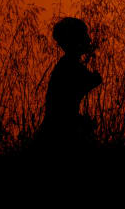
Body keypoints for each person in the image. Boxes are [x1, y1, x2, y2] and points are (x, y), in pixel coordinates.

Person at [36, 17, 103, 154]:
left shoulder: (66, 64)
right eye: (85, 35)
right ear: (75, 40)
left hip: (56, 129)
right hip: (62, 132)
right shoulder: (70, 66)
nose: (89, 40)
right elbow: (89, 82)